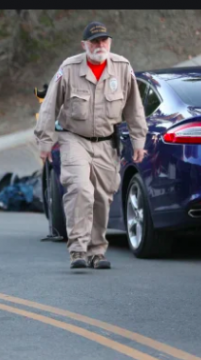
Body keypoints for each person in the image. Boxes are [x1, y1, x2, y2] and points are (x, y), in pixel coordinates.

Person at [34, 21, 147, 270]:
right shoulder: (69, 68)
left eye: (104, 41)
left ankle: (97, 251)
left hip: (107, 142)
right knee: (81, 190)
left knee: (101, 198)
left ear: (110, 43)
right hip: (74, 139)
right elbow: (49, 104)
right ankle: (77, 251)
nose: (99, 45)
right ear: (84, 45)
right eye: (94, 42)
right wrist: (44, 140)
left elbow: (134, 108)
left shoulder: (122, 67)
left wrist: (139, 140)